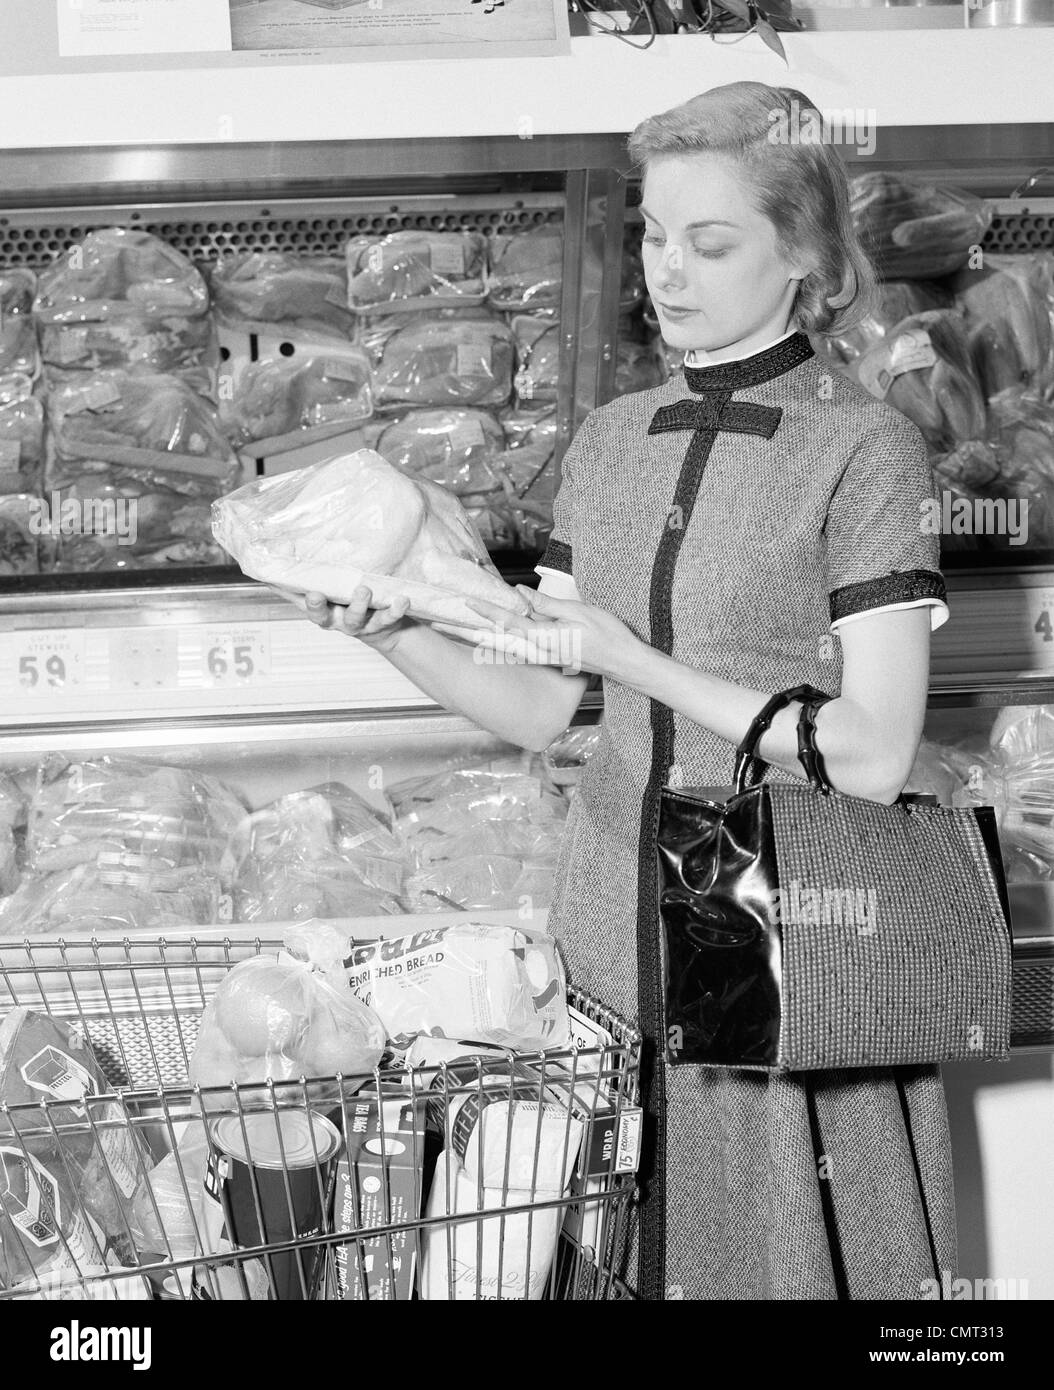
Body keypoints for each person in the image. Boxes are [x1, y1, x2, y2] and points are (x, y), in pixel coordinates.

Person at [285, 81, 954, 1301]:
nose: (668, 271)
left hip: (781, 935)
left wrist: (630, 658)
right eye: (652, 234)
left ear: (803, 254)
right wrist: (390, 632)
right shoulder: (608, 440)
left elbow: (873, 750)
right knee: (607, 1254)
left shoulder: (865, 447)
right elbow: (547, 708)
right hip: (605, 938)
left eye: (710, 243)